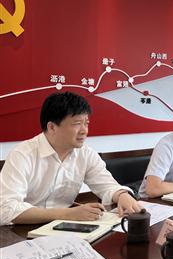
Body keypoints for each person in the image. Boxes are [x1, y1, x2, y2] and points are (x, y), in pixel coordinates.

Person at [0, 92, 141, 226]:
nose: (84, 130)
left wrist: (122, 195)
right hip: (22, 229)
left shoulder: (86, 154)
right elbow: (6, 209)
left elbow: (107, 185)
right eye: (77, 123)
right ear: (52, 127)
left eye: (86, 123)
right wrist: (67, 214)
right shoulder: (22, 154)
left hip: (66, 227)